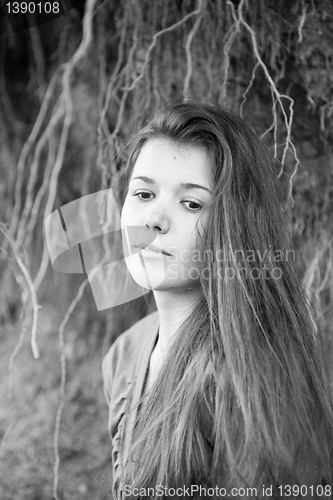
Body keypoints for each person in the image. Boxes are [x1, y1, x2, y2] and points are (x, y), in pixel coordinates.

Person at [102, 101, 333, 499]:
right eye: (143, 193)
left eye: (191, 203)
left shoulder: (254, 377)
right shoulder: (124, 353)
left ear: (234, 227)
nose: (154, 219)